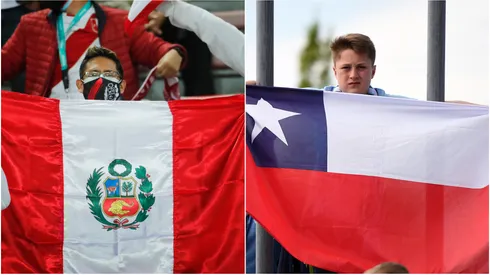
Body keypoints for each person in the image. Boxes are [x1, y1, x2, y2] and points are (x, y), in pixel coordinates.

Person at [1, 0, 187, 100]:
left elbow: (157, 49)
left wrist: (173, 53)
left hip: (109, 122)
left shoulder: (120, 21)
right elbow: (5, 64)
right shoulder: (30, 24)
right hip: (51, 126)